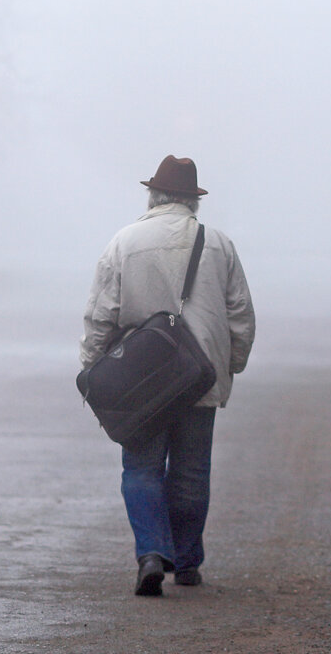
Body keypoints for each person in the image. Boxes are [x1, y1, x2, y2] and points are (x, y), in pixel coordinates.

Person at [80, 155, 255, 597]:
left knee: (141, 468)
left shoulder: (125, 241)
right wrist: (229, 366)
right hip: (200, 375)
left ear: (154, 195)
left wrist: (92, 368)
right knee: (192, 473)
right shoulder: (218, 244)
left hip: (143, 380)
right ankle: (189, 561)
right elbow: (240, 316)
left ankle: (152, 554)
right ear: (193, 200)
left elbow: (102, 313)